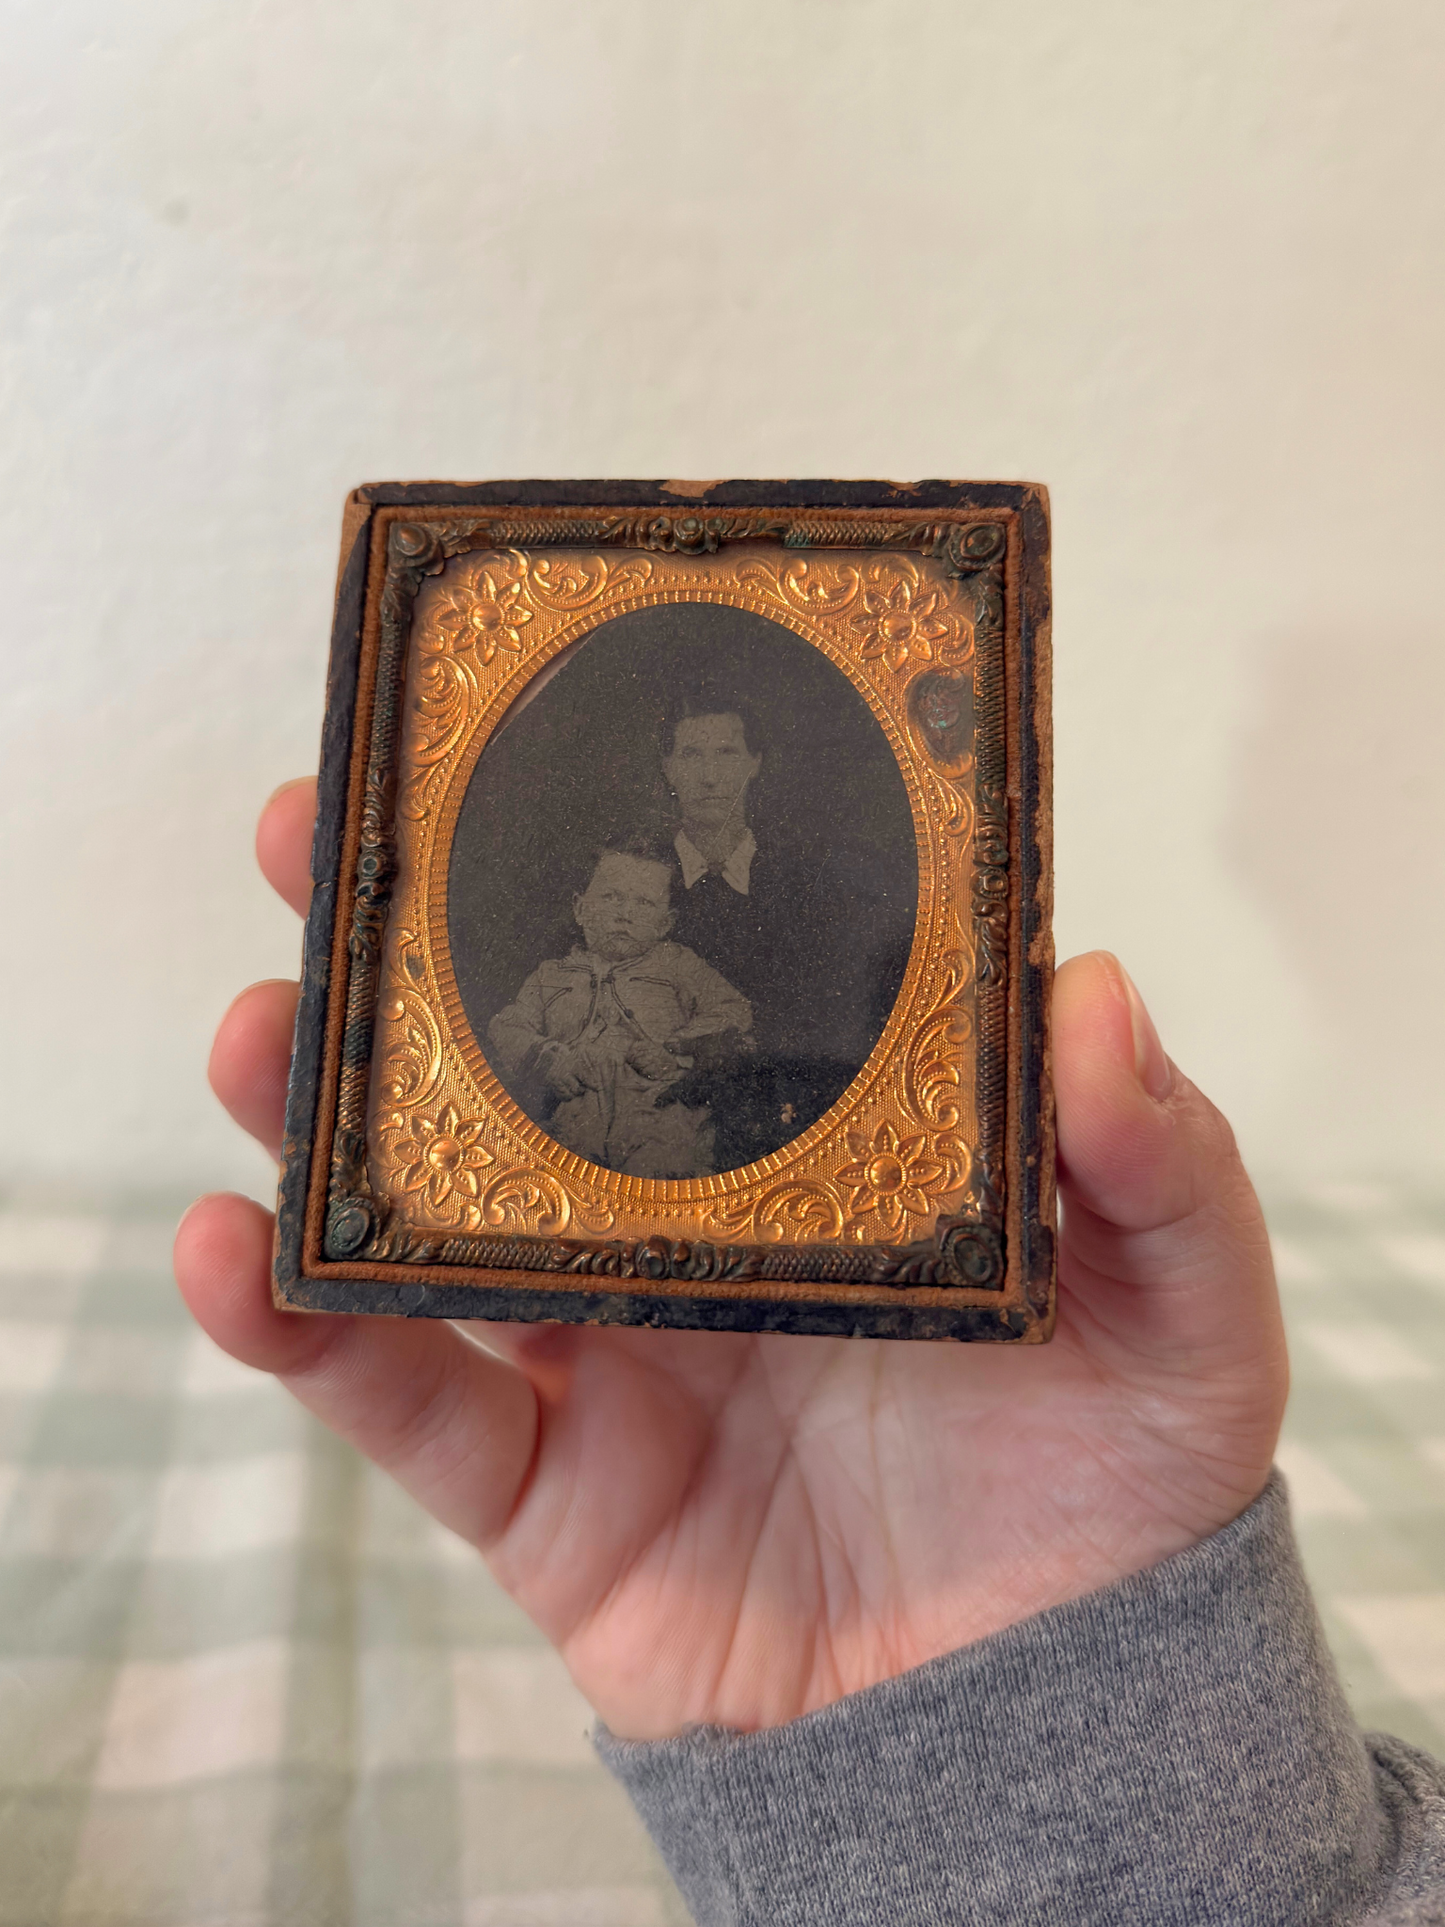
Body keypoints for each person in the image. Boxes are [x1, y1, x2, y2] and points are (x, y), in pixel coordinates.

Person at [176, 776, 1445, 1927]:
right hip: (572, 1185)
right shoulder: (552, 984)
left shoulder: (684, 971)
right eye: (603, 902)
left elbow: (730, 1026)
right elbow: (504, 1037)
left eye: (639, 903)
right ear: (577, 903)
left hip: (680, 1163)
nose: (621, 921)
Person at [658, 688, 913, 1168]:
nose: (709, 776)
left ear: (754, 763)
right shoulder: (632, 880)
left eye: (727, 753)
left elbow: (832, 1029)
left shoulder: (811, 887)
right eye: (691, 755)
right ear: (668, 767)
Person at [486, 842, 752, 1178]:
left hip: (658, 1109)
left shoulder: (677, 963)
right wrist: (546, 1058)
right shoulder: (551, 974)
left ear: (665, 923)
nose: (624, 913)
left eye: (644, 903)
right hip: (572, 1112)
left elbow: (733, 1009)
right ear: (580, 909)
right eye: (611, 897)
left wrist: (676, 1050)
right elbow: (507, 1027)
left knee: (661, 1176)